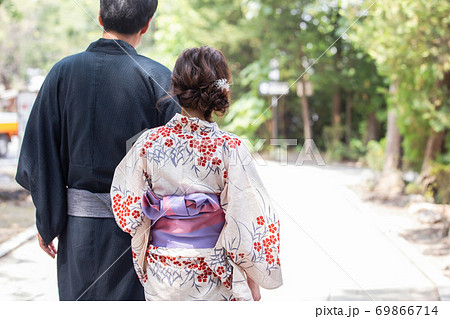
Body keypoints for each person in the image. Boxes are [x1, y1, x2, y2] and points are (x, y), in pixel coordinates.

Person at [15, 0, 179, 300]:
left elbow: (39, 153)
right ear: (147, 23)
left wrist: (48, 219)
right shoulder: (160, 80)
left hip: (79, 232)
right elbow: (179, 169)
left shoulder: (61, 74)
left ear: (100, 17)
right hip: (140, 235)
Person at [111, 46, 283, 301]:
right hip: (213, 266)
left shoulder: (148, 142)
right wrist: (250, 271)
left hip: (163, 267)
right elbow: (248, 218)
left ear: (175, 88)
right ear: (221, 91)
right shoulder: (229, 147)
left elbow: (128, 211)